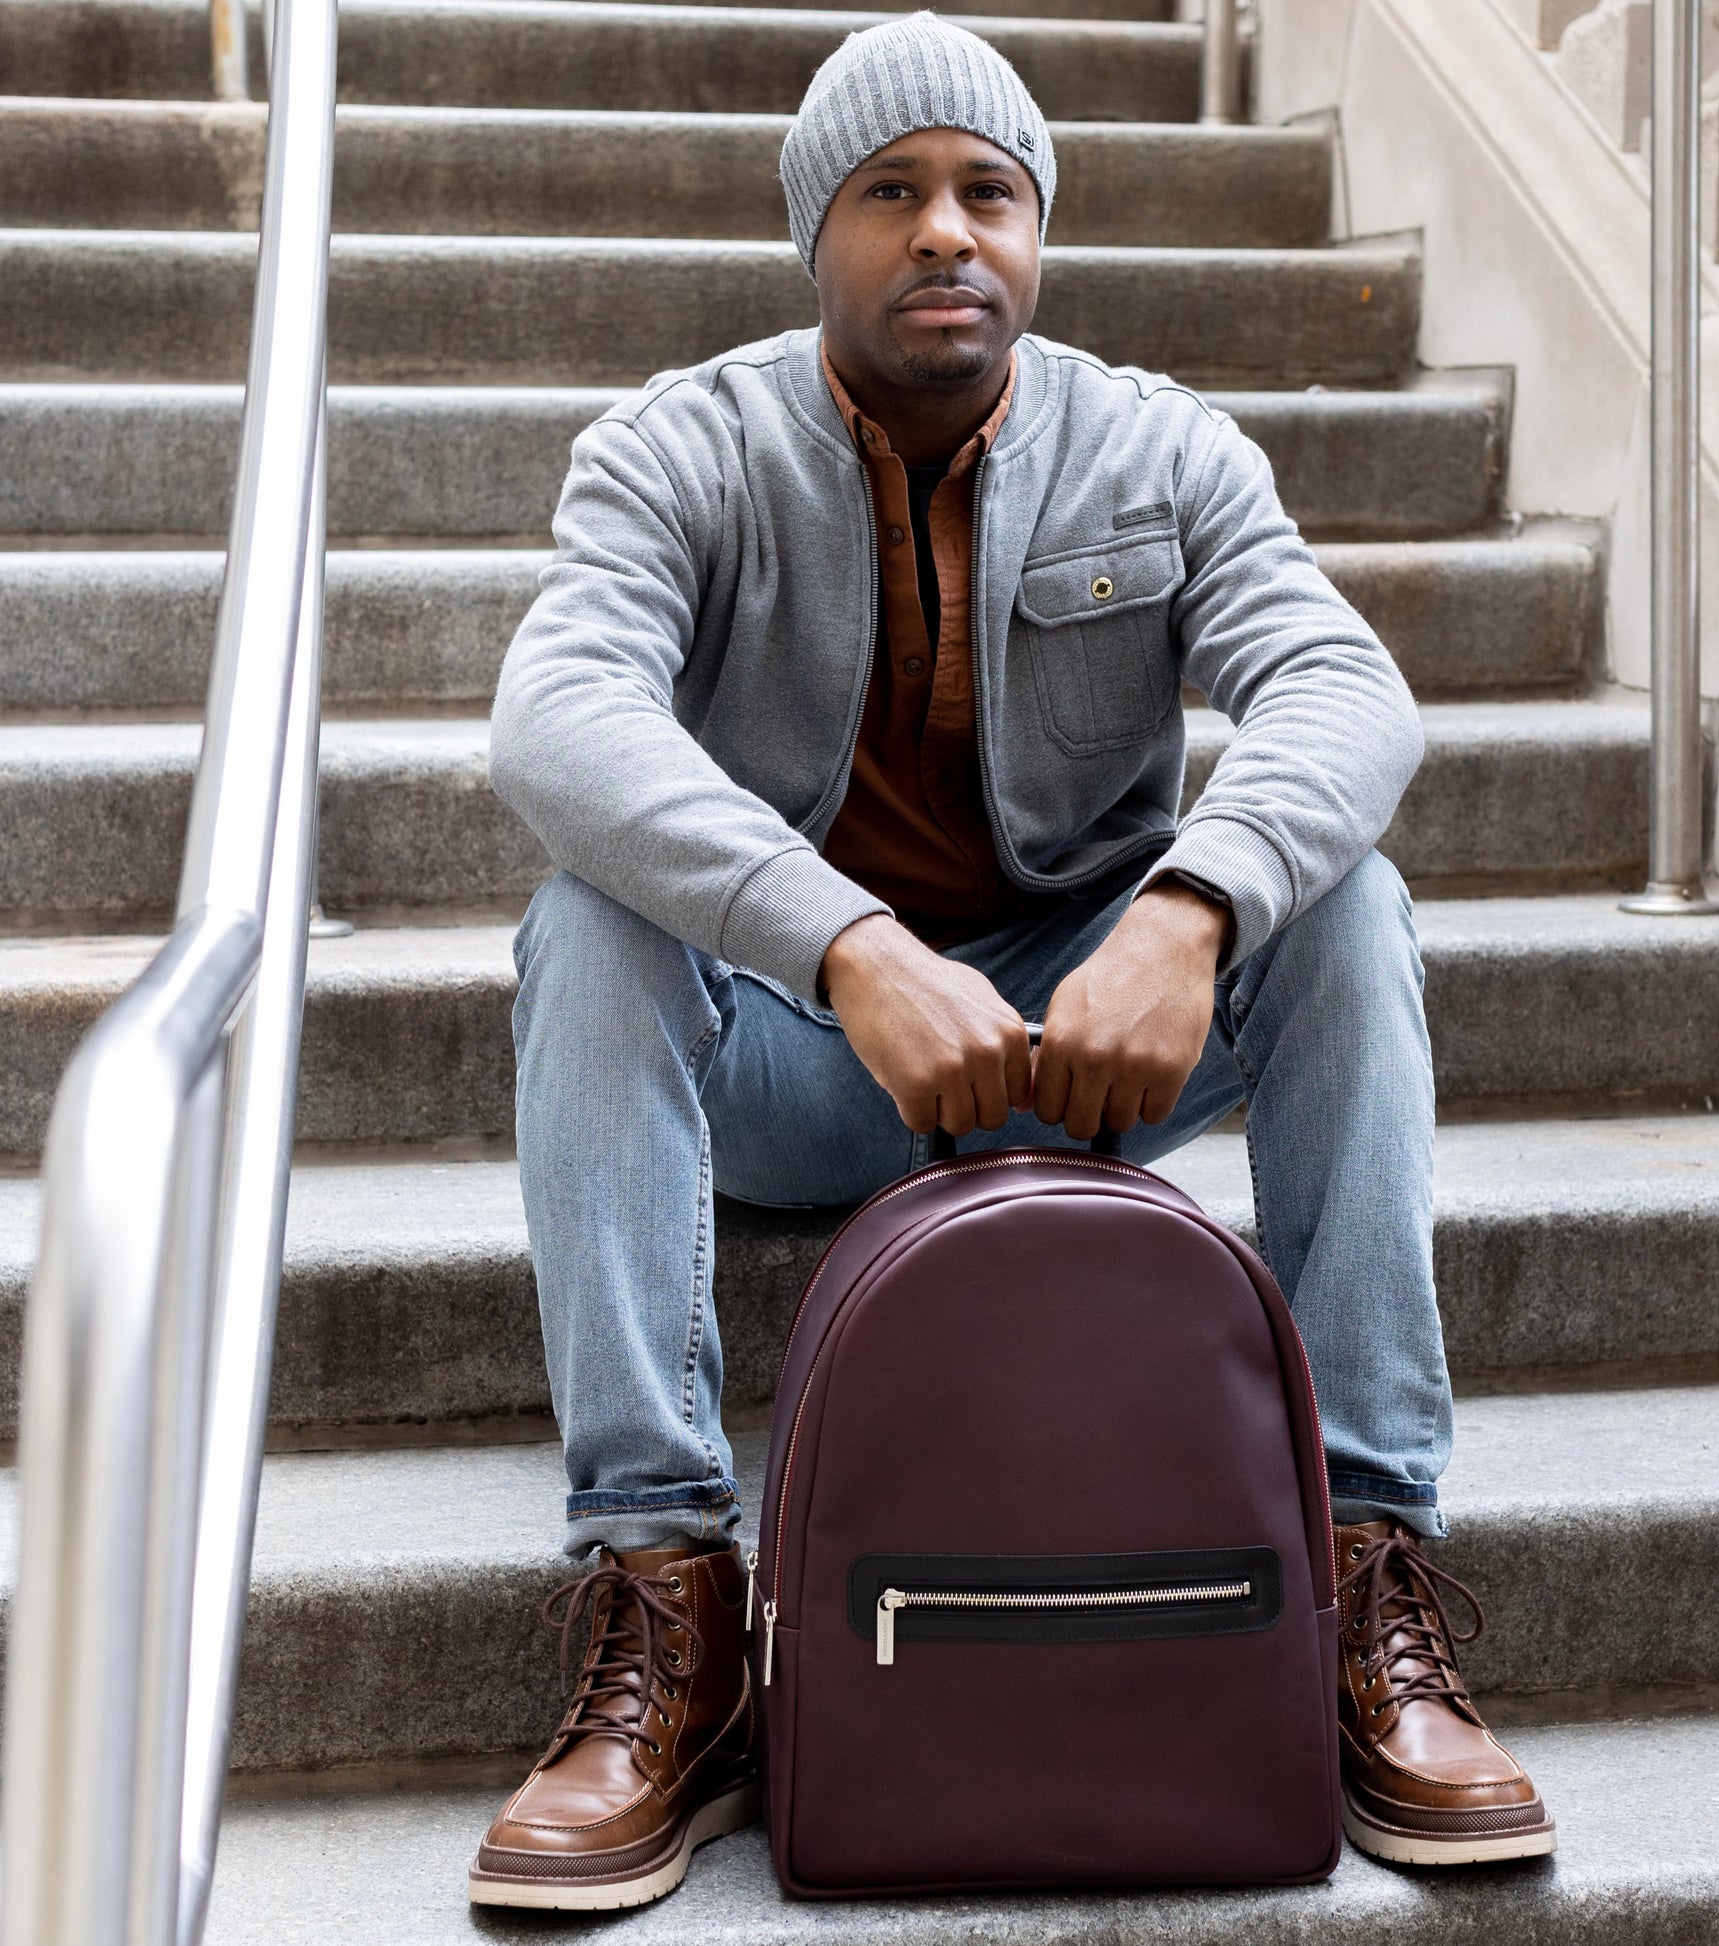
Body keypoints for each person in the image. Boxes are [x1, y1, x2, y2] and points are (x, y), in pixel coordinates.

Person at [468, 12, 1554, 1911]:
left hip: (1079, 1041)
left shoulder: (1157, 444)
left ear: (1039, 232)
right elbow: (558, 717)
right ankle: (670, 1599)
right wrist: (847, 945)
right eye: (890, 194)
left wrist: (1191, 906)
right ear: (818, 236)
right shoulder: (679, 445)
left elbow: (1340, 688)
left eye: (988, 190)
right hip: (808, 1059)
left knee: (1349, 906)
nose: (945, 232)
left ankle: (1353, 1568)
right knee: (587, 923)